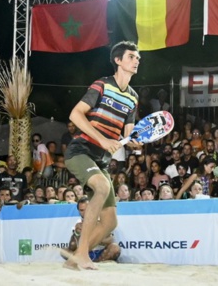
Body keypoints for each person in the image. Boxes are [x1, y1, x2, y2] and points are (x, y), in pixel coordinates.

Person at [63, 40, 142, 271]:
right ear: (118, 61)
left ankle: (75, 258)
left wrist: (135, 142)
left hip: (101, 160)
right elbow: (75, 115)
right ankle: (83, 255)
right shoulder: (101, 85)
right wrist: (103, 140)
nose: (136, 61)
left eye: (138, 58)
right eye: (131, 57)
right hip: (80, 150)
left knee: (110, 221)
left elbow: (128, 133)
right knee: (102, 187)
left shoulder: (133, 98)